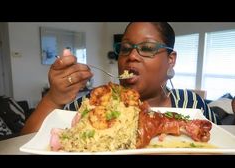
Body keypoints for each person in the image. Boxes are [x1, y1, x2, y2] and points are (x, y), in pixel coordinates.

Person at [21, 22, 220, 135]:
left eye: (147, 48)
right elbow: (27, 143)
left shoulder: (192, 105)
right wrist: (53, 99)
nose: (131, 56)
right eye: (125, 48)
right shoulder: (91, 105)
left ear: (170, 59)